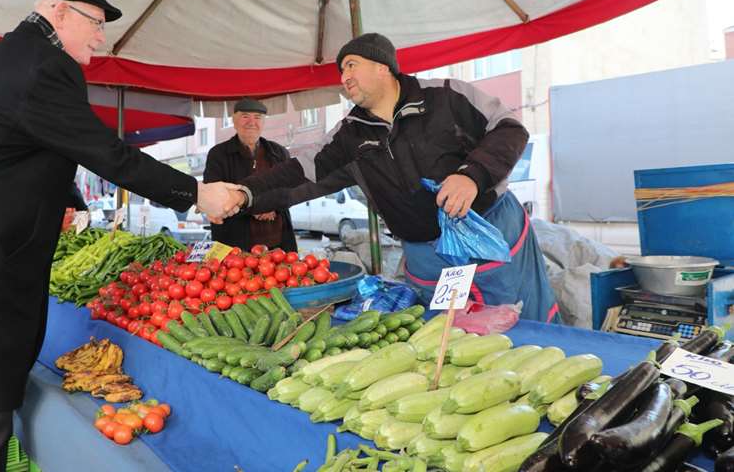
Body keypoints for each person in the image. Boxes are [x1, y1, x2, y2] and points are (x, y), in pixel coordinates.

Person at [0, 0, 241, 472]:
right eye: (96, 23)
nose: (100, 37)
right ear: (58, 12)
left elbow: (22, 154)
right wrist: (196, 192)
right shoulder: (43, 65)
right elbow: (103, 150)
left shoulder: (1, 58)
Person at [234, 33, 560, 323]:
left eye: (351, 65)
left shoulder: (446, 96)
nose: (344, 76)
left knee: (522, 325)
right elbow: (302, 175)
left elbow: (509, 129)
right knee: (449, 344)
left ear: (383, 66)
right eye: (341, 70)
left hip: (493, 236)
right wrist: (245, 196)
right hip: (427, 258)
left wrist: (472, 176)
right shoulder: (349, 135)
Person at [203, 98, 298, 252]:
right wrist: (256, 207)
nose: (251, 122)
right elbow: (214, 196)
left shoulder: (279, 152)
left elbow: (291, 190)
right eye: (245, 116)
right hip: (235, 243)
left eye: (258, 117)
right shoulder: (218, 154)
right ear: (234, 120)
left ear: (263, 122)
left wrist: (273, 207)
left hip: (279, 242)